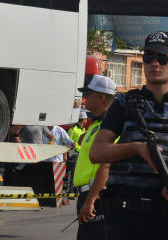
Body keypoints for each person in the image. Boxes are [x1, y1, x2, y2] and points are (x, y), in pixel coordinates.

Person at [90, 31, 168, 240]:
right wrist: (136, 148)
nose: (154, 63)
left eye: (162, 57)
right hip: (124, 219)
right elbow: (97, 152)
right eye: (148, 57)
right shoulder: (124, 105)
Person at [74, 74, 117, 240]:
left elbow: (106, 165)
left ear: (100, 98)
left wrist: (92, 199)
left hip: (97, 195)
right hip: (88, 193)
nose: (84, 98)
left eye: (87, 94)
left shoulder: (111, 127)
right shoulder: (97, 125)